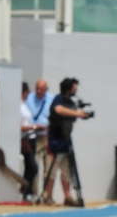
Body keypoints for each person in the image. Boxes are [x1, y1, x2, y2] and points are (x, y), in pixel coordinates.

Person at [42, 76, 92, 206]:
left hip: (66, 141)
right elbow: (58, 109)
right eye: (74, 88)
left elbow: (74, 113)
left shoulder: (70, 102)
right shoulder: (58, 99)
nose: (76, 90)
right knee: (51, 171)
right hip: (55, 141)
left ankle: (67, 196)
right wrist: (77, 114)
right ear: (68, 89)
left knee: (67, 171)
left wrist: (82, 114)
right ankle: (48, 196)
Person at [20, 77, 50, 202]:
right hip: (26, 138)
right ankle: (26, 191)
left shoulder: (24, 104)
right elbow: (20, 125)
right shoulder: (21, 105)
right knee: (33, 167)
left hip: (33, 137)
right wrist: (35, 127)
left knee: (30, 167)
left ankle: (28, 193)